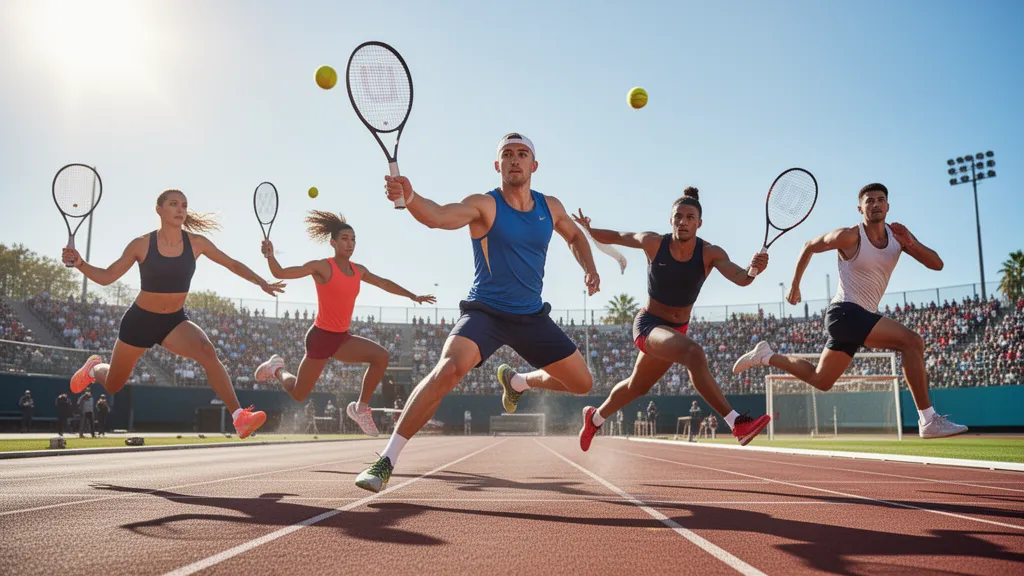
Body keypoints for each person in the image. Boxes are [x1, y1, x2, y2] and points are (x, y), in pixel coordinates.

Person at [355, 133, 601, 492]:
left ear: (534, 165)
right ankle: (386, 459)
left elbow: (576, 237)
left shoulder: (551, 207)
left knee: (583, 384)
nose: (515, 160)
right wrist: (409, 196)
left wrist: (589, 268)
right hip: (486, 312)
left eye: (522, 154)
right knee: (448, 370)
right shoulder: (485, 205)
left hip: (531, 316)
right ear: (497, 164)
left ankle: (518, 381)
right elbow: (438, 216)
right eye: (507, 154)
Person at [732, 183, 968, 439]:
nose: (876, 204)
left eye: (880, 200)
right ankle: (928, 419)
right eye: (870, 201)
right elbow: (809, 245)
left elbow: (937, 264)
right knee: (912, 342)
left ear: (888, 206)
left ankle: (766, 356)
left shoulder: (899, 237)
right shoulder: (850, 236)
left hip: (858, 319)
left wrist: (911, 243)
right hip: (844, 313)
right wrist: (795, 286)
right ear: (860, 208)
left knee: (821, 380)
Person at [63, 189, 282, 439]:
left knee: (208, 351)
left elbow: (231, 263)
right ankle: (93, 369)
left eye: (184, 205)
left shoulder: (196, 243)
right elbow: (106, 277)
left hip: (173, 322)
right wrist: (80, 263)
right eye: (174, 204)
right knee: (113, 384)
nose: (180, 209)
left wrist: (261, 282)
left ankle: (239, 417)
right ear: (159, 210)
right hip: (139, 321)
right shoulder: (141, 244)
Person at [574, 189, 772, 451]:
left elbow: (742, 278)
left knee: (637, 386)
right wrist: (590, 229)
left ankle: (594, 418)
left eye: (690, 217)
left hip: (676, 329)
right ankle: (737, 423)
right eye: (678, 217)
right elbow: (619, 237)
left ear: (699, 223)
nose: (683, 222)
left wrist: (755, 269)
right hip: (649, 326)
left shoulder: (710, 253)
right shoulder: (654, 243)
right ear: (671, 220)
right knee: (693, 353)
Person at [254, 211, 434, 437]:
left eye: (353, 239)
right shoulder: (322, 267)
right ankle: (276, 368)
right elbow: (280, 272)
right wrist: (270, 255)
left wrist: (412, 296)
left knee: (382, 356)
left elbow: (383, 283)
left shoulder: (359, 271)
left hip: (341, 339)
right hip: (320, 338)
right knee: (299, 394)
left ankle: (360, 409)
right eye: (345, 239)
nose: (350, 244)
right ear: (333, 242)